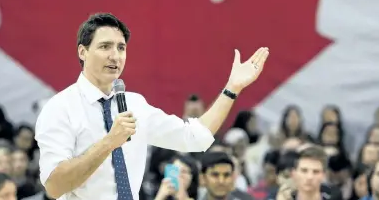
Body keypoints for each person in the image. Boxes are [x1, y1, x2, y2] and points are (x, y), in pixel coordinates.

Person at [35, 13, 270, 200]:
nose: (115, 56)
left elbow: (195, 138)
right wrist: (109, 142)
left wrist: (232, 88)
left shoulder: (134, 104)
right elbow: (55, 187)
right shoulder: (59, 108)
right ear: (82, 52)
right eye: (105, 46)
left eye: (121, 47)